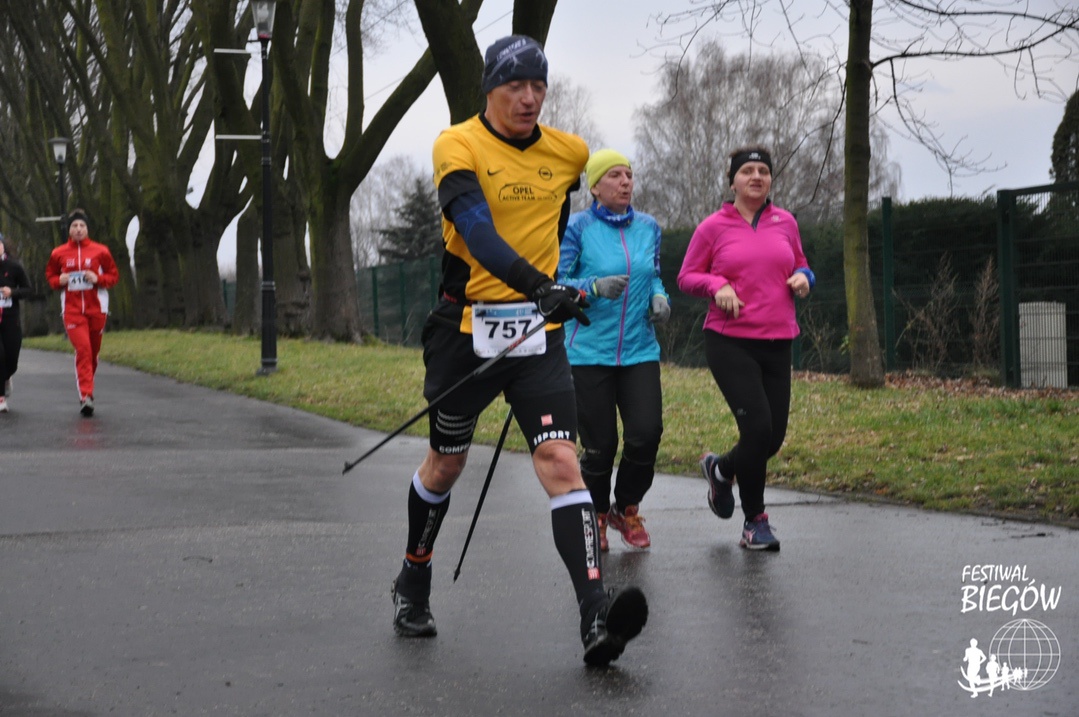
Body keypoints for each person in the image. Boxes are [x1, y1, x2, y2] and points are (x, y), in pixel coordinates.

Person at [390, 35, 647, 666]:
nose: (529, 98)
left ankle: (595, 616)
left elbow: (553, 226)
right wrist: (538, 285)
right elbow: (477, 231)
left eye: (538, 86)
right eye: (515, 86)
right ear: (490, 89)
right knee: (445, 466)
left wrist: (556, 289)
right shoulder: (457, 145)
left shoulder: (569, 152)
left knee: (562, 462)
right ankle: (414, 576)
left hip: (539, 337)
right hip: (465, 334)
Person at [677, 146, 814, 552]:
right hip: (730, 341)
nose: (757, 177)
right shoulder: (713, 227)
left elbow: (802, 263)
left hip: (778, 340)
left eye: (763, 171)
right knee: (756, 429)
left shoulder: (786, 222)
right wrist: (716, 285)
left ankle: (720, 470)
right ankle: (755, 521)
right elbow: (687, 276)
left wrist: (804, 278)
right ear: (733, 181)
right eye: (748, 171)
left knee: (772, 439)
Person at [557, 149, 669, 551]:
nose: (625, 182)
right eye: (615, 175)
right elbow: (558, 280)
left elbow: (653, 275)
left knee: (646, 436)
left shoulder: (649, 227)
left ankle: (626, 506)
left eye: (629, 175)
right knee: (600, 446)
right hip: (589, 352)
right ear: (595, 186)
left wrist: (659, 297)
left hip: (639, 349)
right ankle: (597, 513)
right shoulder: (576, 228)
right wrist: (593, 287)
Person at [45, 209, 120, 417]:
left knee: (92, 353)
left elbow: (114, 276)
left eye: (82, 226)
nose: (78, 229)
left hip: (97, 309)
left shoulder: (101, 251)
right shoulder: (58, 253)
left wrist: (98, 279)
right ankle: (86, 395)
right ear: (69, 229)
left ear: (87, 228)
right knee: (84, 349)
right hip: (72, 310)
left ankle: (87, 383)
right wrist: (58, 281)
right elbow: (51, 276)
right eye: (74, 226)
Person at [0, 234, 33, 413]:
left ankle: (6, 377)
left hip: (10, 319)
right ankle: (1, 398)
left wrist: (12, 292)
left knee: (11, 359)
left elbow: (28, 290)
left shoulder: (14, 267)